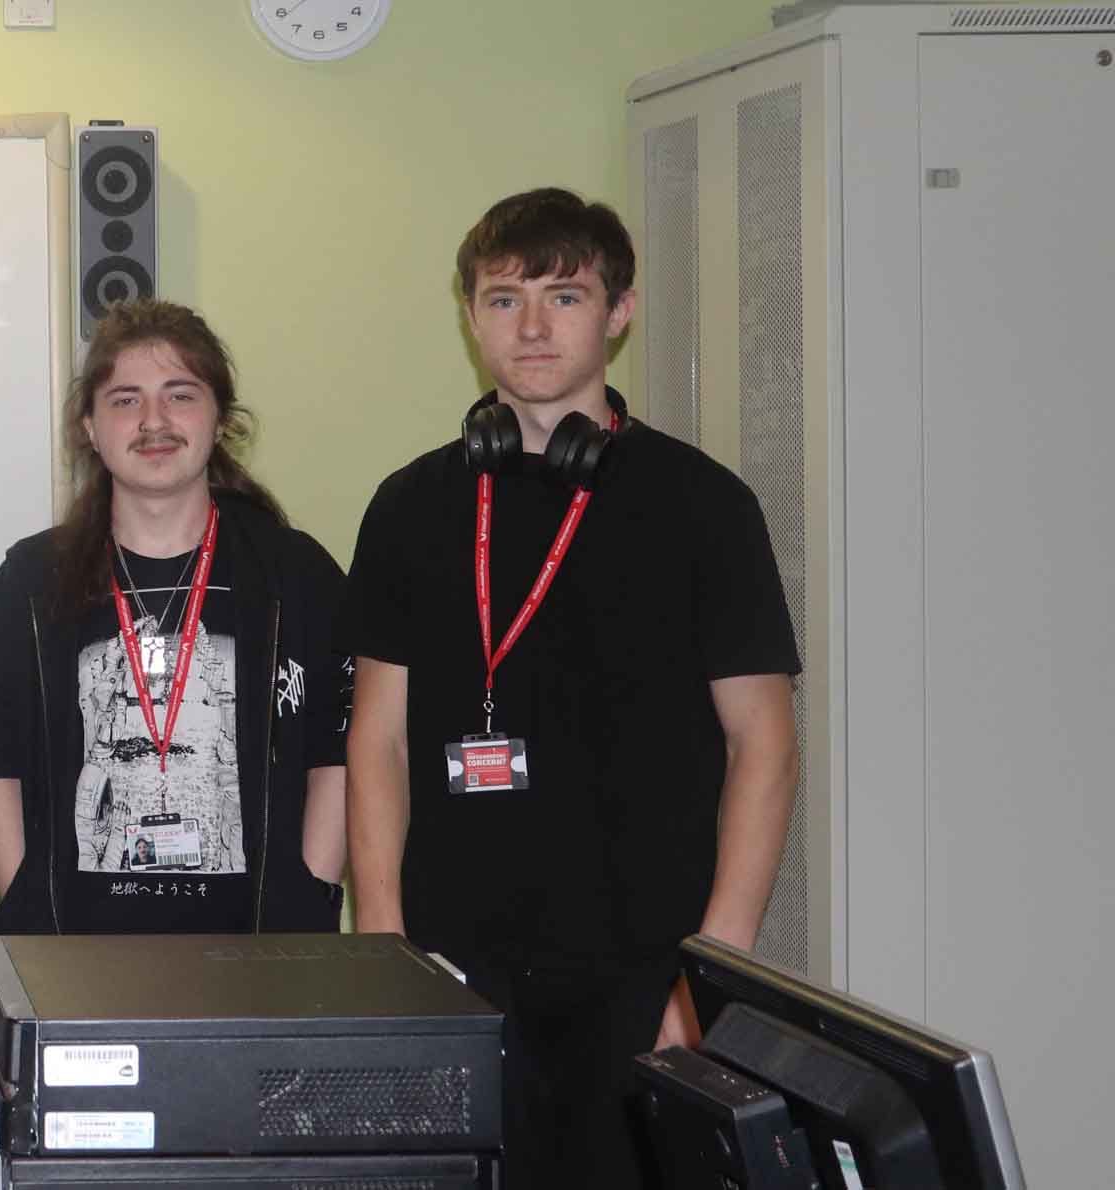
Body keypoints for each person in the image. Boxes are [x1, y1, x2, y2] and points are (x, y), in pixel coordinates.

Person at [340, 187, 799, 1190]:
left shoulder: (707, 505)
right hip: (459, 973)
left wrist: (708, 973)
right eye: (505, 299)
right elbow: (375, 741)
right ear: (471, 317)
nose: (535, 326)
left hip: (645, 973)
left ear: (619, 311)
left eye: (566, 295)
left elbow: (764, 743)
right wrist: (384, 950)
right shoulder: (411, 504)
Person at [0, 299, 350, 936]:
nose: (153, 421)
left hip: (261, 954)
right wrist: (30, 910)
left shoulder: (293, 573)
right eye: (124, 400)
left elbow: (332, 751)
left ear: (219, 416)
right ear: (89, 426)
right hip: (79, 954)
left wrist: (307, 899)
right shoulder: (30, 582)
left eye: (179, 395)